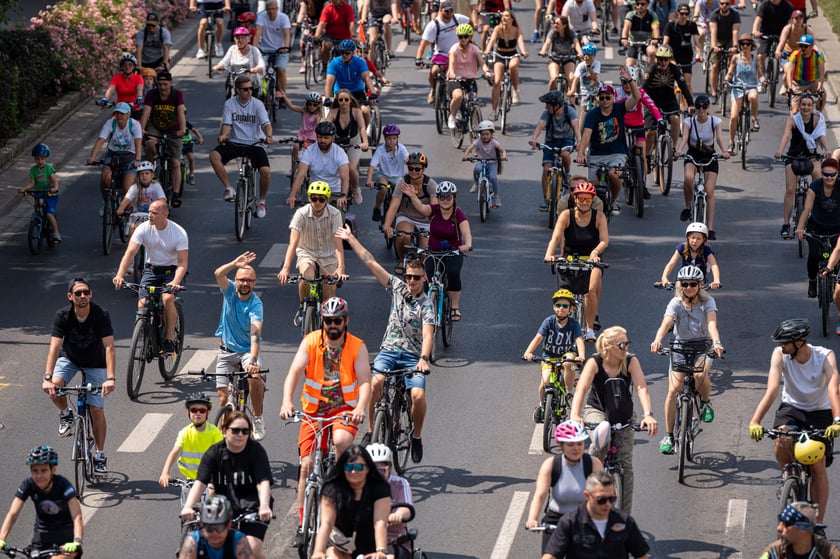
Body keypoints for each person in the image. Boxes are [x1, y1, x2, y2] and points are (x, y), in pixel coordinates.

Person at [335, 225, 434, 461]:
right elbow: (370, 261)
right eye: (408, 276)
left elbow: (428, 334)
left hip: (412, 357)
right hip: (389, 352)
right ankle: (371, 431)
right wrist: (350, 238)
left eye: (416, 277)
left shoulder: (427, 305)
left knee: (418, 396)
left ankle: (416, 436)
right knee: (374, 384)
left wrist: (423, 358)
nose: (411, 281)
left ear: (424, 279)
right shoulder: (397, 288)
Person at [279, 298, 372, 541]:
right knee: (306, 467)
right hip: (313, 411)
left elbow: (365, 381)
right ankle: (303, 524)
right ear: (323, 321)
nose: (332, 325)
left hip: (344, 411)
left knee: (341, 441)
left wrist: (360, 407)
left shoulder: (357, 346)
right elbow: (294, 372)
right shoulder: (310, 341)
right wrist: (287, 401)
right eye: (328, 321)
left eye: (337, 321)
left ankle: (340, 492)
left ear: (345, 321)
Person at [749, 319, 840, 530]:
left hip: (820, 412)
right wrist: (755, 421)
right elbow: (772, 389)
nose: (781, 346)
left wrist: (837, 420)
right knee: (782, 440)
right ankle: (788, 476)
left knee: (817, 465)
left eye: (785, 342)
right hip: (792, 408)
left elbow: (833, 388)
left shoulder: (824, 356)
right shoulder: (779, 354)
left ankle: (818, 523)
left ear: (799, 343)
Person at [571, 326, 657, 513]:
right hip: (597, 411)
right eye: (621, 345)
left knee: (626, 466)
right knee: (602, 434)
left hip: (623, 414)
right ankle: (587, 477)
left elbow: (641, 387)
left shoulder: (631, 361)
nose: (626, 348)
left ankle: (625, 516)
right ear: (608, 346)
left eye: (627, 344)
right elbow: (581, 389)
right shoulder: (595, 362)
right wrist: (575, 415)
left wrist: (648, 414)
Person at [42, 278, 116, 474]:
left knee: (96, 409)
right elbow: (54, 347)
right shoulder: (62, 315)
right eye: (78, 293)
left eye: (86, 292)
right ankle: (66, 413)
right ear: (70, 296)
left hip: (96, 363)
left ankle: (100, 455)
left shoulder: (100, 314)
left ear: (90, 294)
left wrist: (110, 378)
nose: (83, 296)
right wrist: (47, 377)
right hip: (70, 358)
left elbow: (109, 347)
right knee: (54, 387)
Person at [650, 265, 724, 454]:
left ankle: (705, 402)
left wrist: (716, 343)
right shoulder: (675, 303)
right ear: (680, 285)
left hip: (703, 346)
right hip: (680, 346)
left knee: (699, 376)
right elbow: (665, 323)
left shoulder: (708, 302)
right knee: (673, 389)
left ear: (699, 285)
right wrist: (657, 340)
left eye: (692, 284)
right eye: (685, 284)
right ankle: (668, 435)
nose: (689, 287)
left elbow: (712, 324)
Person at [181, 412, 273, 559]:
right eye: (235, 430)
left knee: (252, 547)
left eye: (245, 431)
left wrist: (264, 506)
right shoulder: (214, 453)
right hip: (223, 507)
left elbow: (263, 482)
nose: (240, 435)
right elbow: (200, 483)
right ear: (224, 431)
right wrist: (188, 506)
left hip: (253, 505)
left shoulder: (256, 451)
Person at [112, 199, 189, 354]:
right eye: (149, 212)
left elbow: (182, 263)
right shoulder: (143, 228)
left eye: (154, 213)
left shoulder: (179, 233)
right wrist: (120, 275)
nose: (150, 215)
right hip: (151, 270)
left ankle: (168, 339)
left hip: (172, 272)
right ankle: (145, 334)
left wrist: (175, 281)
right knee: (142, 305)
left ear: (165, 214)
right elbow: (130, 253)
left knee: (167, 299)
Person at [525, 422, 604, 553]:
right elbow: (540, 495)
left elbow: (603, 495)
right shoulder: (551, 465)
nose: (576, 448)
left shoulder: (593, 464)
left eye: (579, 444)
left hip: (585, 520)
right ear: (561, 445)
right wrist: (532, 518)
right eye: (570, 444)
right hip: (556, 521)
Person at [544, 181, 609, 341]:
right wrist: (549, 254)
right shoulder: (566, 215)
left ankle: (590, 329)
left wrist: (595, 252)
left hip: (592, 260)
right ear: (575, 199)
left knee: (590, 290)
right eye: (581, 199)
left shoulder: (599, 217)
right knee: (565, 295)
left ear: (592, 200)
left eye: (588, 199)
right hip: (570, 258)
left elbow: (604, 240)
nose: (584, 202)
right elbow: (556, 237)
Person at [213, 252, 267, 441]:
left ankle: (258, 418)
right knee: (223, 399)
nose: (245, 284)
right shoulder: (229, 291)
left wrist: (253, 361)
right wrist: (235, 263)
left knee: (254, 377)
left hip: (246, 352)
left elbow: (255, 334)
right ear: (235, 281)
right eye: (242, 280)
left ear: (254, 283)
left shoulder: (255, 304)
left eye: (249, 281)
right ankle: (220, 441)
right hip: (226, 352)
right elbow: (218, 274)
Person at [575, 67, 641, 215]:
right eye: (602, 97)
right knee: (592, 187)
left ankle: (615, 200)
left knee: (614, 175)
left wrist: (630, 80)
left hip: (617, 153)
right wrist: (581, 153)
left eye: (608, 97)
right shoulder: (592, 115)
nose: (605, 100)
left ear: (613, 98)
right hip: (596, 155)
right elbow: (586, 135)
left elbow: (637, 97)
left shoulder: (619, 108)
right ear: (598, 99)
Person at [542, 471, 650, 559]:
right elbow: (552, 555)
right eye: (601, 500)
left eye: (611, 499)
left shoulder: (624, 521)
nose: (608, 504)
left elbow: (641, 554)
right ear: (587, 496)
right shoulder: (570, 522)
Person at [0, 446, 83, 559]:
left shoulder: (64, 485)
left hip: (65, 540)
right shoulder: (28, 484)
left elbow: (77, 516)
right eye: (35, 471)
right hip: (41, 539)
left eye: (44, 470)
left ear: (53, 470)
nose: (39, 476)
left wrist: (77, 541)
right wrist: (1, 539)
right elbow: (13, 513)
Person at [278, 180, 347, 316]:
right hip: (307, 253)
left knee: (329, 291)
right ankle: (303, 308)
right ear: (309, 198)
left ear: (327, 200)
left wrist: (341, 267)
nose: (317, 202)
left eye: (321, 199)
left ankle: (325, 319)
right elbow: (293, 242)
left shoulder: (335, 214)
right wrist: (285, 268)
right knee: (306, 277)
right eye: (314, 199)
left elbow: (338, 243)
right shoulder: (301, 213)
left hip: (328, 255)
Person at [210, 75, 273, 217]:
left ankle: (262, 201)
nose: (249, 91)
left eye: (251, 88)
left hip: (254, 143)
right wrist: (224, 135)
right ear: (237, 90)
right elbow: (227, 124)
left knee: (265, 171)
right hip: (235, 142)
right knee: (214, 156)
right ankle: (229, 188)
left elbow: (266, 124)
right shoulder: (230, 103)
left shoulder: (258, 104)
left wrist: (268, 136)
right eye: (245, 89)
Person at [311, 445, 390, 559]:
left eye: (359, 467)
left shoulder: (379, 488)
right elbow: (327, 523)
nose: (353, 471)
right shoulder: (332, 489)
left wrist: (381, 550)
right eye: (349, 467)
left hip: (370, 546)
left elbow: (379, 523)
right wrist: (318, 551)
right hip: (340, 545)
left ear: (368, 468)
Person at [523, 290, 586, 422]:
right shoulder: (549, 322)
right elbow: (538, 338)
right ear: (553, 307)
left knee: (569, 363)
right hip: (549, 355)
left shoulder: (574, 324)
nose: (561, 308)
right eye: (558, 305)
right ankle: (541, 405)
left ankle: (568, 393)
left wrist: (581, 356)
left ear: (571, 309)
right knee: (545, 382)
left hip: (566, 354)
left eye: (565, 306)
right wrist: (528, 352)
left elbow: (579, 340)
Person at [674, 94, 730, 238]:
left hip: (709, 155)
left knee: (709, 191)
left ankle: (710, 228)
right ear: (695, 108)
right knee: (688, 178)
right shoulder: (689, 121)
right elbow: (685, 137)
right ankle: (687, 207)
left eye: (704, 106)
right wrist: (680, 150)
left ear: (708, 107)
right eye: (698, 106)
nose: (701, 109)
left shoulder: (715, 121)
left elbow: (719, 137)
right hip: (693, 154)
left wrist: (724, 151)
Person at [414, 181, 473, 317]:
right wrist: (412, 195)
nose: (445, 200)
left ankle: (454, 306)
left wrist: (467, 244)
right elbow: (421, 208)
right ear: (438, 198)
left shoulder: (457, 213)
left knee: (453, 273)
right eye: (442, 197)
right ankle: (427, 306)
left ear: (454, 198)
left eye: (448, 197)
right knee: (427, 277)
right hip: (433, 251)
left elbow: (466, 232)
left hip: (453, 252)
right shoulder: (434, 210)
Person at [775, 94, 828, 241]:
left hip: (811, 157)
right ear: (799, 106)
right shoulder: (792, 120)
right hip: (793, 157)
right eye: (803, 104)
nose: (806, 107)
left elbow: (822, 136)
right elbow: (786, 136)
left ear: (813, 107)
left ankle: (817, 218)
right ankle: (786, 224)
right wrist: (780, 150)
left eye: (809, 105)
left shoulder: (817, 120)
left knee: (818, 182)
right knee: (790, 189)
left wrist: (827, 149)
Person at [796, 158, 840, 305]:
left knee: (837, 254)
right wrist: (800, 227)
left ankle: (836, 282)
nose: (829, 178)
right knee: (814, 255)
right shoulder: (815, 186)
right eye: (826, 175)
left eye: (832, 175)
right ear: (821, 173)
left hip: (837, 227)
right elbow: (806, 209)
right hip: (817, 226)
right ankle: (812, 281)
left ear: (837, 174)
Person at [159, 393, 224, 491]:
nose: (198, 413)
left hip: (210, 478)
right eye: (193, 410)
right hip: (191, 479)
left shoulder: (214, 432)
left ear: (208, 412)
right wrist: (165, 472)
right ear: (188, 411)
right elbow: (175, 451)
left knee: (211, 495)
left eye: (202, 410)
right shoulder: (185, 432)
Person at [140, 70, 187, 206]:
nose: (162, 87)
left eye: (165, 84)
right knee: (150, 144)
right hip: (156, 127)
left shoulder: (177, 94)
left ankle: (176, 194)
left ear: (170, 83)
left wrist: (182, 130)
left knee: (175, 162)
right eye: (160, 84)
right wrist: (141, 128)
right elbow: (146, 112)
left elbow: (181, 112)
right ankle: (150, 169)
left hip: (173, 129)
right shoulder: (151, 94)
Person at [529, 91, 580, 212]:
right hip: (551, 140)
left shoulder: (569, 111)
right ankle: (546, 200)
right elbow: (540, 125)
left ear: (556, 105)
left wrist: (579, 143)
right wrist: (534, 139)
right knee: (546, 168)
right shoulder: (547, 113)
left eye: (548, 105)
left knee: (565, 154)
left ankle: (567, 173)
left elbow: (576, 128)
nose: (546, 107)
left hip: (566, 140)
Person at [382, 152, 438, 259]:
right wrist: (387, 226)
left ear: (423, 170)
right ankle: (402, 261)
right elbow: (393, 207)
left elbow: (434, 210)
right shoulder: (402, 183)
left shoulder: (431, 185)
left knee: (426, 253)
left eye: (417, 169)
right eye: (410, 168)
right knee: (403, 236)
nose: (413, 172)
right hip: (407, 217)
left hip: (426, 221)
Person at [415, 2, 471, 105]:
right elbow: (423, 43)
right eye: (446, 11)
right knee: (434, 71)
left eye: (451, 11)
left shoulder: (458, 18)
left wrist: (469, 38)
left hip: (458, 53)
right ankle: (433, 90)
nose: (449, 13)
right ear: (440, 11)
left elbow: (470, 23)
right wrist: (418, 58)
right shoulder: (433, 25)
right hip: (442, 54)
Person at [365, 444, 414, 559]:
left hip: (394, 539)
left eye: (380, 471)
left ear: (389, 468)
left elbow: (407, 508)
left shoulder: (400, 483)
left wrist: (398, 515)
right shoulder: (358, 485)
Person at [289, 122, 351, 209]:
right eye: (320, 137)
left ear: (333, 138)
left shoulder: (340, 153)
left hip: (334, 194)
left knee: (337, 217)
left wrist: (343, 195)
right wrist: (292, 195)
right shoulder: (310, 151)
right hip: (315, 193)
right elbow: (300, 174)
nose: (322, 140)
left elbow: (345, 177)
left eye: (326, 138)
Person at [86, 101, 142, 198]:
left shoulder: (134, 125)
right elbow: (101, 140)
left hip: (129, 156)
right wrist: (92, 157)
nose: (119, 116)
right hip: (113, 155)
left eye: (122, 113)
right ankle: (106, 202)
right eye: (117, 113)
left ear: (128, 114)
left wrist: (137, 159)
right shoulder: (111, 123)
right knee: (104, 180)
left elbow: (138, 144)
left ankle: (127, 206)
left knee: (127, 189)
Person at [641, 45, 691, 152]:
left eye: (666, 59)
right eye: (660, 59)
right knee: (650, 132)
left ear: (670, 59)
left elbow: (683, 87)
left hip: (669, 100)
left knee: (676, 119)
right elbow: (643, 89)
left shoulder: (674, 69)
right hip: (652, 102)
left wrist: (691, 104)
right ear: (656, 59)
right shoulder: (651, 69)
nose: (663, 62)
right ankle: (647, 156)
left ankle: (673, 148)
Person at [327, 88, 369, 206]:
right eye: (341, 100)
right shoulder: (333, 112)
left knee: (351, 168)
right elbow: (327, 127)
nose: (344, 102)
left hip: (353, 141)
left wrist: (365, 142)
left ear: (350, 101)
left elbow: (362, 128)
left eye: (346, 99)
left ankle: (356, 189)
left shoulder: (356, 112)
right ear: (337, 101)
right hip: (337, 142)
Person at [446, 23, 493, 130]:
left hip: (470, 79)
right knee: (458, 96)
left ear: (470, 37)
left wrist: (487, 71)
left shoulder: (474, 49)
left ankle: (470, 120)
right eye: (460, 37)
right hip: (455, 79)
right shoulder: (454, 49)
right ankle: (452, 116)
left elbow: (482, 63)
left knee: (472, 99)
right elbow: (451, 63)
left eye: (466, 36)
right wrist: (452, 73)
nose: (463, 39)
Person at [178, 495, 253, 559]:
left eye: (219, 527)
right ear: (202, 525)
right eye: (209, 527)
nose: (214, 533)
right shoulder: (193, 541)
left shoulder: (239, 541)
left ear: (229, 525)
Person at [483, 10, 528, 118]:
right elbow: (492, 41)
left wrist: (523, 51)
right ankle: (494, 110)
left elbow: (520, 41)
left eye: (507, 16)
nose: (504, 18)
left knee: (513, 66)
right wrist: (487, 50)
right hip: (500, 54)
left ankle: (515, 90)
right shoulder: (498, 29)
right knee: (497, 82)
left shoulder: (516, 29)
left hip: (513, 54)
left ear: (512, 19)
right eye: (503, 16)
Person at [724, 33, 764, 142]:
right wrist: (726, 80)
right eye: (742, 44)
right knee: (733, 117)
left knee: (753, 96)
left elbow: (760, 74)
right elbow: (730, 73)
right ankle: (731, 142)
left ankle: (754, 119)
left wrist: (763, 81)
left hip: (751, 86)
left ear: (751, 45)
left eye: (747, 44)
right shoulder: (735, 58)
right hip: (737, 87)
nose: (745, 46)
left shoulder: (756, 58)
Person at [760, 503, 840, 557]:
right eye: (780, 522)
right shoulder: (773, 552)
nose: (779, 528)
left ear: (803, 529)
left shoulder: (828, 552)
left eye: (787, 524)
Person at [18, 143, 61, 245]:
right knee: (37, 205)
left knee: (49, 214)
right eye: (37, 159)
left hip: (50, 193)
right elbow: (32, 183)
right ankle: (37, 220)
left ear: (46, 159)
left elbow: (55, 181)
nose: (40, 161)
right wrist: (24, 189)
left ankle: (56, 234)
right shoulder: (33, 170)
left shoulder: (48, 168)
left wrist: (55, 188)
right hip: (39, 192)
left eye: (42, 159)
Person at [367, 124, 409, 222]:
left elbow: (408, 160)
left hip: (398, 177)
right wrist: (369, 180)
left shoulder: (401, 148)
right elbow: (372, 165)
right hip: (383, 175)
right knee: (384, 188)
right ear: (385, 138)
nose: (391, 141)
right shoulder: (380, 150)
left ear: (397, 138)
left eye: (394, 138)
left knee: (404, 192)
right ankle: (377, 209)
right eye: (389, 138)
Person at [659, 222, 721, 288]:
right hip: (683, 281)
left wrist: (716, 280)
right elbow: (671, 264)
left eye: (698, 239)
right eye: (693, 237)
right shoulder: (682, 247)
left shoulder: (706, 249)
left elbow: (714, 265)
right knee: (678, 293)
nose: (695, 241)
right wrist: (664, 277)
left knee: (703, 293)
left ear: (704, 240)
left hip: (700, 282)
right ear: (688, 237)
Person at [115, 160, 167, 237]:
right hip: (137, 216)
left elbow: (162, 200)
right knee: (132, 229)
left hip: (152, 215)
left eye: (147, 173)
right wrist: (120, 209)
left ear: (152, 175)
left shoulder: (156, 186)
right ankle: (131, 244)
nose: (144, 176)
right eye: (141, 174)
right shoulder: (134, 187)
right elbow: (126, 199)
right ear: (138, 176)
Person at [254, 0, 292, 105]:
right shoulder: (261, 17)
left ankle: (282, 95)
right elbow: (258, 33)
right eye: (269, 9)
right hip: (265, 49)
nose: (271, 11)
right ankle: (263, 90)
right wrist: (254, 49)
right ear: (266, 9)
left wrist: (286, 47)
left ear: (277, 9)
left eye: (274, 9)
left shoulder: (283, 18)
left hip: (281, 49)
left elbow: (287, 34)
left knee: (280, 69)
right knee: (263, 69)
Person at [752, 0, 794, 94]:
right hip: (765, 34)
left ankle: (786, 82)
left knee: (789, 58)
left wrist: (789, 32)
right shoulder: (765, 5)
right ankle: (761, 80)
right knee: (760, 56)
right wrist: (755, 30)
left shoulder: (787, 6)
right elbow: (758, 19)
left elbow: (791, 22)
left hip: (782, 35)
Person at [463, 120, 507, 207]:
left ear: (491, 134)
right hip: (481, 161)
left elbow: (502, 150)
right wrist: (465, 156)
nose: (485, 136)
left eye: (487, 134)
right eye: (483, 134)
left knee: (493, 178)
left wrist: (504, 155)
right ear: (480, 134)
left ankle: (496, 196)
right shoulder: (478, 141)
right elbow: (469, 148)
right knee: (476, 170)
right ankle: (476, 183)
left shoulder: (494, 142)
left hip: (492, 162)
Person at [278, 90, 323, 174]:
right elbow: (292, 106)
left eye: (314, 105)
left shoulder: (317, 115)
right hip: (302, 135)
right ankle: (293, 168)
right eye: (310, 104)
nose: (312, 107)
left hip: (312, 136)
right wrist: (284, 97)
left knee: (312, 152)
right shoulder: (304, 111)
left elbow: (317, 127)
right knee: (295, 146)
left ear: (318, 106)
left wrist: (316, 138)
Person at [215, 26, 266, 97]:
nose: (240, 40)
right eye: (238, 38)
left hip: (252, 81)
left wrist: (257, 68)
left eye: (243, 38)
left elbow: (261, 63)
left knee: (255, 96)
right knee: (229, 92)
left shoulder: (254, 50)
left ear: (248, 39)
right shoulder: (232, 49)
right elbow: (225, 61)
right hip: (236, 80)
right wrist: (219, 66)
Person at [663, 4, 700, 99]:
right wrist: (666, 54)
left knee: (687, 83)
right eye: (682, 13)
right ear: (677, 14)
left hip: (686, 56)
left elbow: (696, 42)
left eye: (686, 14)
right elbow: (665, 43)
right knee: (669, 81)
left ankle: (691, 105)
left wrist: (699, 54)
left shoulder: (692, 25)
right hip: (672, 56)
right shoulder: (670, 25)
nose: (684, 16)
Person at [707, 0, 740, 104]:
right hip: (718, 40)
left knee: (733, 58)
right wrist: (714, 46)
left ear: (730, 4)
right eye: (722, 3)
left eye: (727, 3)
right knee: (715, 66)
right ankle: (713, 93)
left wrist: (735, 46)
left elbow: (735, 32)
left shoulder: (735, 15)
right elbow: (713, 32)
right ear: (719, 4)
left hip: (730, 40)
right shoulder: (714, 15)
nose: (724, 5)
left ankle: (729, 78)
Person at [538, 16, 582, 93]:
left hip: (568, 59)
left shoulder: (571, 34)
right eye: (554, 23)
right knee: (554, 78)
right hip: (554, 59)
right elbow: (547, 43)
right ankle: (550, 97)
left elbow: (576, 44)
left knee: (571, 78)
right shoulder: (552, 32)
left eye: (557, 23)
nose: (555, 25)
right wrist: (543, 51)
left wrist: (580, 53)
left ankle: (572, 100)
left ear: (564, 25)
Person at [785, 34, 826, 114]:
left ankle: (818, 115)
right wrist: (790, 88)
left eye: (805, 46)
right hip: (798, 83)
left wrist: (819, 88)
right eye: (801, 45)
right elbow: (789, 73)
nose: (802, 48)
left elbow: (821, 74)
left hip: (813, 82)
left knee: (823, 95)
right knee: (794, 112)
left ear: (811, 47)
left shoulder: (818, 56)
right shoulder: (795, 55)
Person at [315, 0, 357, 70]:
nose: (334, 1)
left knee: (347, 50)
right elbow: (322, 23)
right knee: (326, 45)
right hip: (330, 35)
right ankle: (324, 67)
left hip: (344, 36)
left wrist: (353, 36)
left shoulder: (348, 8)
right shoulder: (327, 9)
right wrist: (316, 35)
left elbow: (351, 23)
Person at [620, 0, 659, 68]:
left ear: (647, 4)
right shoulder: (631, 14)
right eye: (638, 4)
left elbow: (655, 28)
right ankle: (632, 75)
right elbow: (626, 27)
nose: (640, 6)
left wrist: (655, 39)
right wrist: (624, 38)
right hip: (633, 43)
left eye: (642, 4)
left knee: (652, 51)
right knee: (629, 63)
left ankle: (649, 71)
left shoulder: (652, 15)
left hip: (647, 42)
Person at [567, 42, 600, 109]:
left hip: (595, 88)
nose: (589, 58)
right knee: (583, 108)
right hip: (585, 90)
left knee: (600, 103)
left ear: (594, 55)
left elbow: (594, 76)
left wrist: (588, 65)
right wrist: (572, 90)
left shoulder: (597, 63)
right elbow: (576, 78)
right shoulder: (580, 65)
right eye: (587, 55)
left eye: (591, 55)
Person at [181, 116, 205, 186]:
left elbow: (194, 130)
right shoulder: (174, 123)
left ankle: (191, 175)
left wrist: (200, 138)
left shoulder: (186, 123)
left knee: (191, 158)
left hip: (187, 143)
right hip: (178, 144)